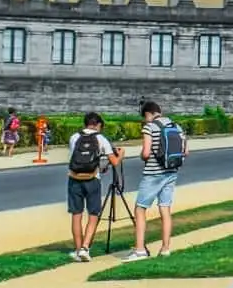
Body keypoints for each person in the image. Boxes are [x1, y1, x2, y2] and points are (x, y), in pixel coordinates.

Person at [123, 101, 185, 261]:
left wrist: (141, 155)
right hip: (171, 172)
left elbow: (145, 153)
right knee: (165, 209)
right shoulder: (177, 127)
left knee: (140, 209)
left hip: (153, 173)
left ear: (148, 114)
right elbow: (186, 151)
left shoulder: (149, 127)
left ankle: (139, 249)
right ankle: (165, 248)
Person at [64, 112, 120, 262]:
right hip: (92, 179)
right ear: (98, 125)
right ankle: (85, 247)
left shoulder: (74, 137)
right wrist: (120, 155)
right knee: (93, 214)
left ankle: (77, 250)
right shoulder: (101, 139)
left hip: (74, 178)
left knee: (76, 215)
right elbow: (114, 162)